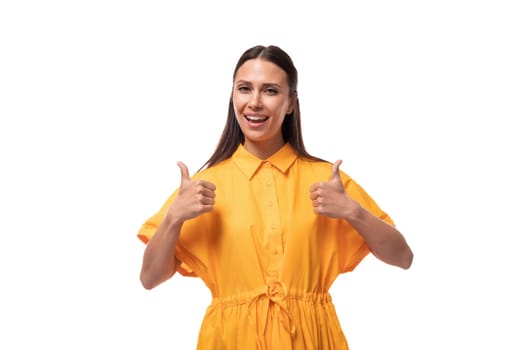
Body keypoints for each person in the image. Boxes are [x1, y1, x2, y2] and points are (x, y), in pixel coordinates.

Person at [137, 44, 413, 349]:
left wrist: (353, 212)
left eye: (270, 91)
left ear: (291, 103)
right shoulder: (204, 187)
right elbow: (150, 278)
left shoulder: (326, 181)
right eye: (244, 89)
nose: (254, 102)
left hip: (312, 338)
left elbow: (403, 257)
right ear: (233, 97)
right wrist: (173, 219)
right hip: (232, 340)